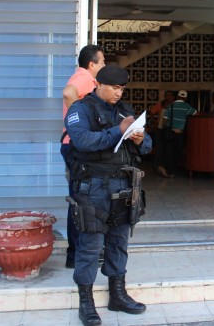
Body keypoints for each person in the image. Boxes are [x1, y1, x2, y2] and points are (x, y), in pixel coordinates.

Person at [64, 65, 151, 325]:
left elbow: (147, 146)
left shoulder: (125, 110)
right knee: (90, 246)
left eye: (122, 88)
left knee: (118, 242)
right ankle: (86, 302)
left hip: (122, 186)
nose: (118, 92)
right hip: (93, 187)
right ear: (98, 84)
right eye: (114, 87)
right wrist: (118, 130)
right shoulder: (81, 109)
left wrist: (140, 139)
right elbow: (82, 141)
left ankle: (118, 294)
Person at [61, 45, 105, 269]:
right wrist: (81, 122)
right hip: (76, 147)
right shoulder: (85, 77)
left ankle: (75, 253)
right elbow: (68, 93)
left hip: (71, 145)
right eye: (102, 62)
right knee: (81, 201)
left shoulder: (82, 76)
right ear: (91, 64)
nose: (103, 66)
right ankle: (77, 252)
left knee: (78, 199)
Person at [161, 90, 197, 178]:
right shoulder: (188, 107)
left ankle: (171, 171)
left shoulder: (170, 106)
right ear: (185, 98)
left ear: (177, 96)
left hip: (170, 133)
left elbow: (164, 121)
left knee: (169, 152)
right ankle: (177, 169)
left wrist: (166, 127)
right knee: (179, 151)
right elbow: (196, 114)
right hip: (181, 133)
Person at [150, 90, 175, 178]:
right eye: (166, 95)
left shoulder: (174, 106)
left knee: (169, 150)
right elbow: (151, 112)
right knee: (160, 149)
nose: (168, 97)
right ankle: (158, 167)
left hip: (171, 130)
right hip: (160, 130)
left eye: (170, 95)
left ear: (173, 97)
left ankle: (168, 168)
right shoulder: (160, 104)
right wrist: (154, 123)